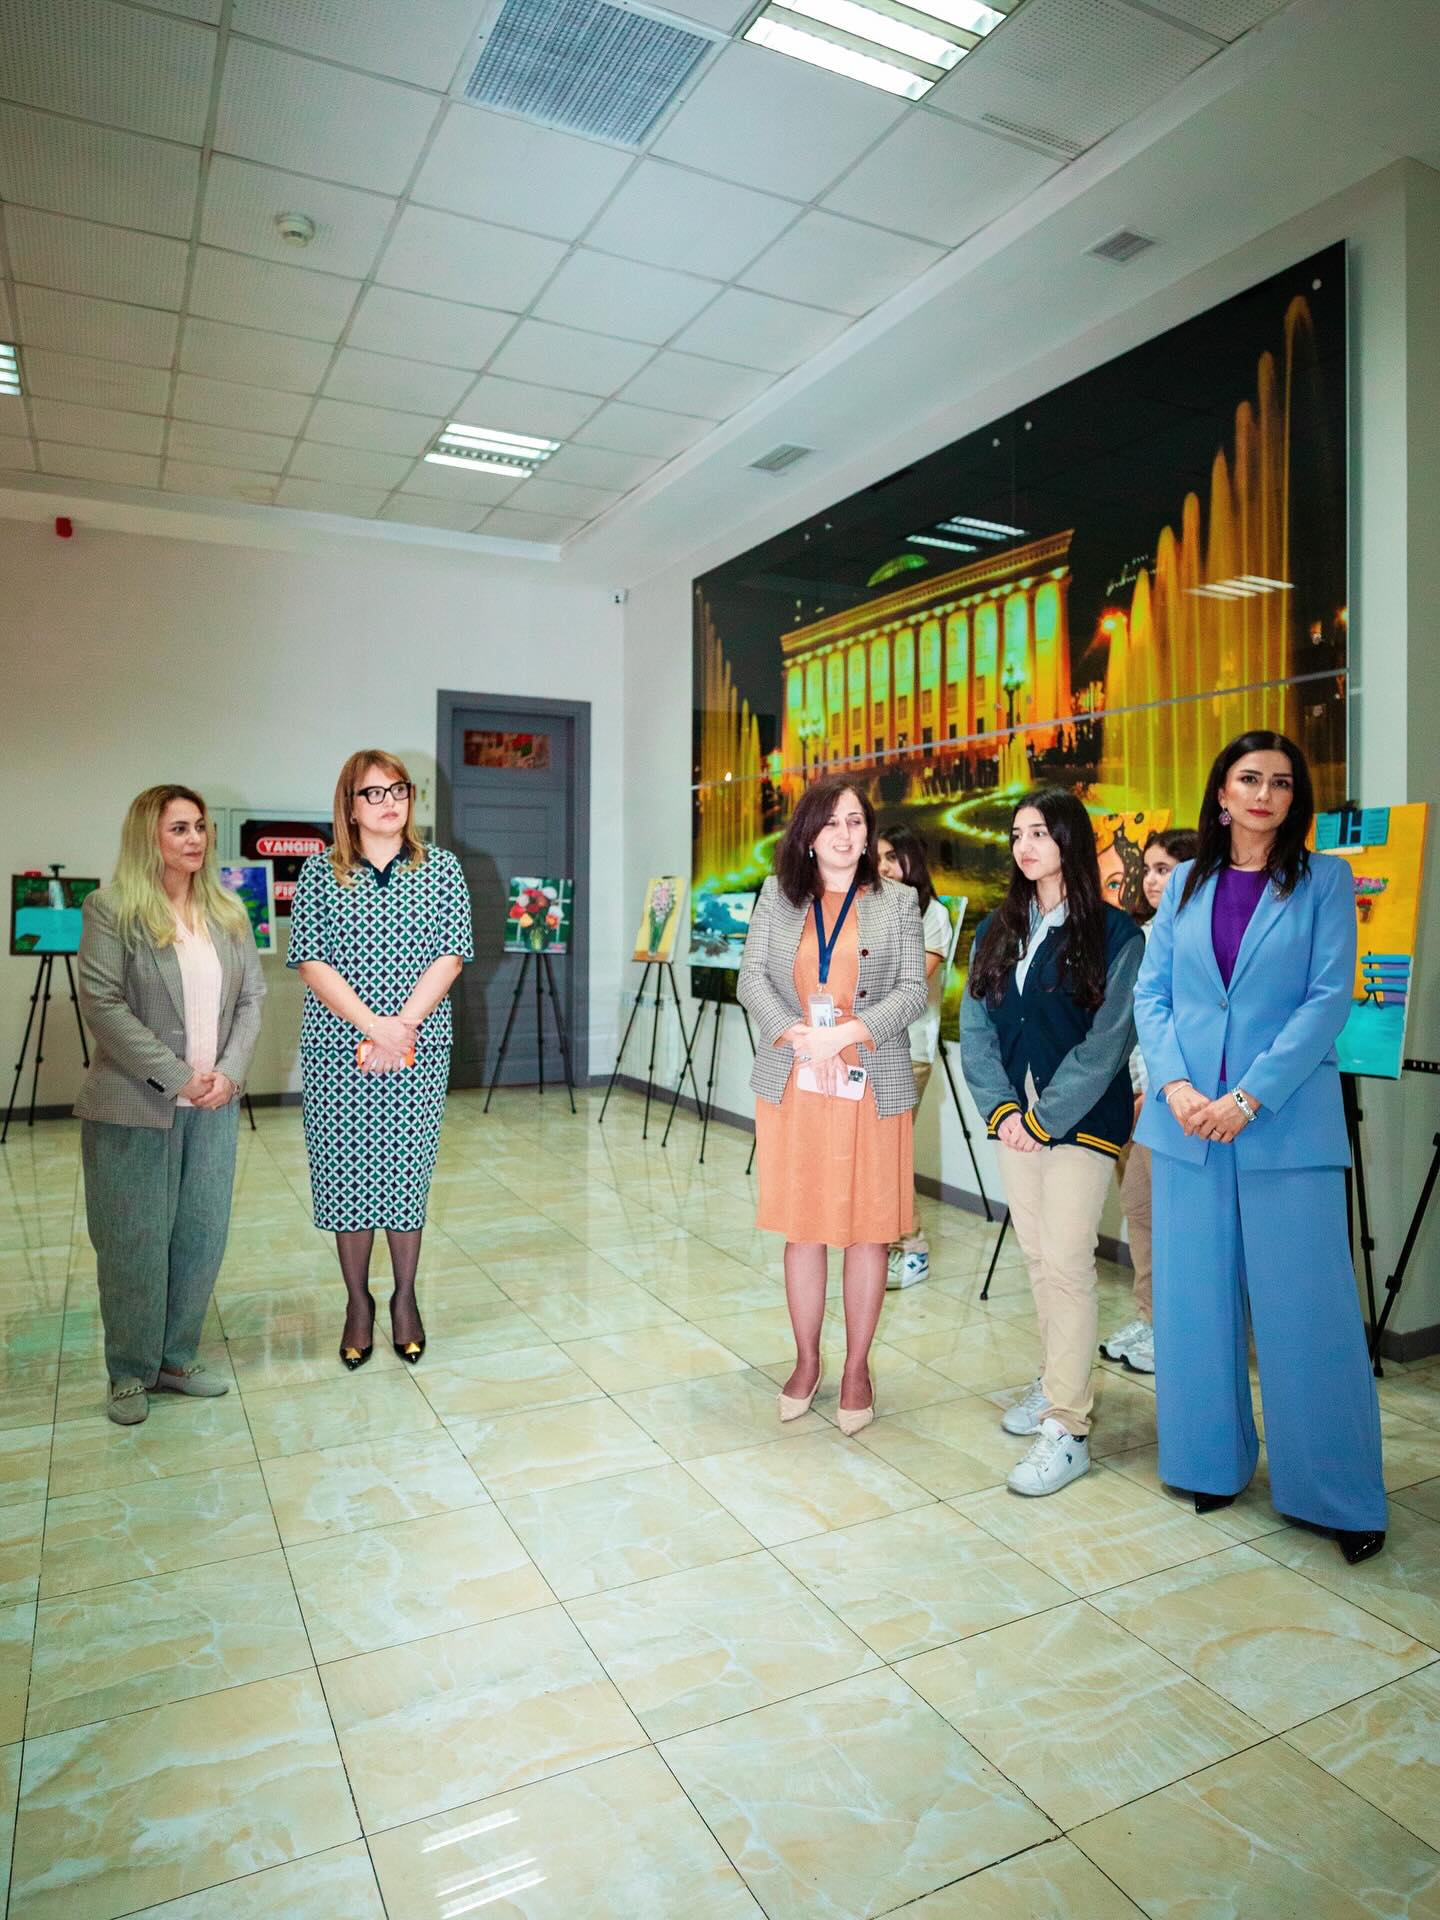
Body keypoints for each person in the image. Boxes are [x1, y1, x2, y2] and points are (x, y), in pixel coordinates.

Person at [1134, 731, 1386, 1563]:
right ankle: (1206, 1463)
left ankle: (1337, 1495)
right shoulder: (1185, 885)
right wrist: (1176, 1087)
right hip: (1187, 1127)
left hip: (1282, 1123)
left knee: (1309, 1315)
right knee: (1194, 1306)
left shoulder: (1325, 880)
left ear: (1294, 797)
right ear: (1221, 793)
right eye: (1249, 779)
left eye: (1281, 782)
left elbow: (1327, 1000)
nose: (1264, 794)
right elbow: (1153, 994)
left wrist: (1247, 1097)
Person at [961, 788, 1144, 1496]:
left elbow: (1108, 1043)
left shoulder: (1116, 935)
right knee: (1038, 1258)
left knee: (1067, 1262)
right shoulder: (997, 928)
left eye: (1039, 832)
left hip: (1082, 1121)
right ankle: (1055, 1380)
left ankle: (1068, 1428)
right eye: (1017, 834)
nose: (1025, 846)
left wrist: (1046, 1117)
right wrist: (1004, 1110)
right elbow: (977, 1029)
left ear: (1070, 839)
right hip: (1015, 1119)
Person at [738, 778, 927, 1436]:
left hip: (869, 1082)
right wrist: (798, 1036)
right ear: (808, 836)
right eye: (831, 823)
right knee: (805, 1227)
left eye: (856, 821)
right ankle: (806, 1361)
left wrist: (845, 1034)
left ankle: (856, 1369)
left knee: (869, 1229)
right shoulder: (779, 896)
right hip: (797, 1081)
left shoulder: (898, 902)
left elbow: (912, 990)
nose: (845, 835)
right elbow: (752, 979)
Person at [75, 784, 264, 1424]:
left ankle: (177, 1359)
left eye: (200, 827)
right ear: (147, 837)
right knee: (133, 1241)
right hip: (134, 1105)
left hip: (212, 1108)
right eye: (179, 828)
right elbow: (103, 1005)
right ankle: (130, 1372)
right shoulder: (111, 910)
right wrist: (178, 1077)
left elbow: (251, 1000)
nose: (195, 839)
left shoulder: (228, 911)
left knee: (200, 1237)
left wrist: (229, 1075)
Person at [288, 751, 473, 1369]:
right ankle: (357, 1303)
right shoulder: (320, 873)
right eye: (373, 793)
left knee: (405, 1175)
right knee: (346, 1177)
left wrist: (402, 1029)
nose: (390, 802)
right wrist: (374, 1028)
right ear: (350, 806)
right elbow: (311, 961)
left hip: (418, 1050)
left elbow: (451, 955)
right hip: (337, 1051)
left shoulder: (441, 868)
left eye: (398, 789)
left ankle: (405, 1298)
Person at [1101, 826, 1198, 1374]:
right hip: (1137, 1096)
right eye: (1151, 869)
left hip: (1177, 1101)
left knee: (1173, 1220)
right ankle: (1152, 1316)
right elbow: (1132, 1023)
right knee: (1139, 1207)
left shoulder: (1199, 938)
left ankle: (1177, 1330)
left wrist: (1155, 1089)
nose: (1154, 880)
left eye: (1167, 869)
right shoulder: (1142, 934)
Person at [875, 824, 954, 1288]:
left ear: (913, 860)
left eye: (892, 857)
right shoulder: (873, 908)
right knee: (879, 1150)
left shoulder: (933, 915)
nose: (883, 867)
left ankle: (911, 1247)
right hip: (870, 1049)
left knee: (891, 1150)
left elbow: (910, 985)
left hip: (909, 1051)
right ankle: (885, 1241)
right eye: (878, 858)